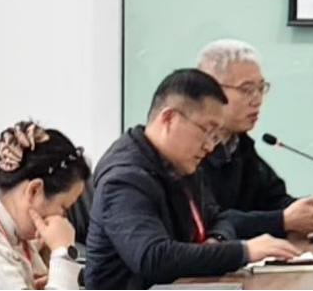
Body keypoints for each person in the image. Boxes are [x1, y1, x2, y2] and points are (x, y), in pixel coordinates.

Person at [85, 69, 300, 290]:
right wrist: (244, 251)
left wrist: (216, 240)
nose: (209, 146)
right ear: (169, 118)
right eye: (206, 131)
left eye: (215, 136)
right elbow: (153, 257)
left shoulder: (179, 163)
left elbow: (220, 218)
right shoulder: (124, 178)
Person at [196, 39, 313, 238]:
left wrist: (308, 210)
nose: (257, 100)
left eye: (261, 88)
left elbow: (271, 199)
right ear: (211, 90)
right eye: (246, 90)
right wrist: (283, 220)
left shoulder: (239, 144)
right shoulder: (191, 150)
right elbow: (210, 222)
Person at [0, 122, 90, 290]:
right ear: (34, 190)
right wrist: (63, 253)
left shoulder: (13, 231)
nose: (63, 218)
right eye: (63, 207)